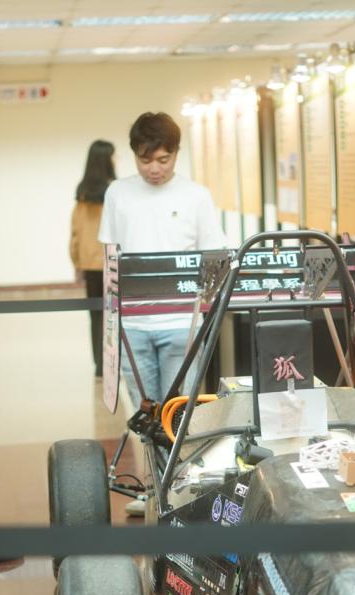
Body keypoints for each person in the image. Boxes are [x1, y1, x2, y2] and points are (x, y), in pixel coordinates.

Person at [98, 112, 226, 515]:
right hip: (133, 324)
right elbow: (110, 257)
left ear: (176, 154)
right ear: (134, 155)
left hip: (181, 324)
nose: (154, 168)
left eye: (163, 159)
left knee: (179, 412)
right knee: (146, 413)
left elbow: (214, 256)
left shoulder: (196, 196)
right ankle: (154, 492)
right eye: (145, 160)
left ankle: (179, 492)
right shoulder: (118, 193)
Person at [70, 139, 116, 377]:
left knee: (96, 314)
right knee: (113, 314)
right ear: (107, 159)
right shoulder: (116, 191)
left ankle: (99, 365)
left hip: (90, 264)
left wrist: (77, 263)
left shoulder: (83, 193)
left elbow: (76, 232)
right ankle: (112, 362)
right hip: (113, 262)